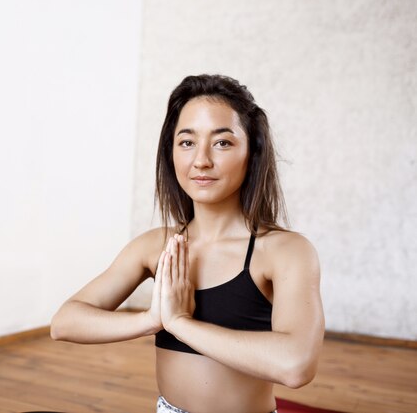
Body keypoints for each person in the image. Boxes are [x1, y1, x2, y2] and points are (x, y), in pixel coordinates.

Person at [50, 74, 325, 413]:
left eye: (222, 143)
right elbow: (64, 322)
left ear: (252, 151)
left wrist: (182, 324)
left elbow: (296, 365)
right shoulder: (155, 246)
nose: (201, 160)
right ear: (172, 153)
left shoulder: (285, 252)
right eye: (187, 142)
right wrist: (153, 320)